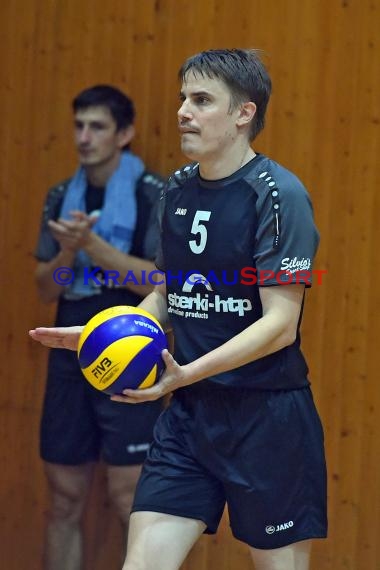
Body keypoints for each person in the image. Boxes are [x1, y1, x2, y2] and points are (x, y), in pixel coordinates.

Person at [30, 50, 327, 570]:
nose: (183, 111)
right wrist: (107, 331)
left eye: (201, 100)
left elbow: (280, 326)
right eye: (182, 99)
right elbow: (168, 294)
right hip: (188, 420)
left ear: (244, 113)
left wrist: (184, 373)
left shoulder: (279, 195)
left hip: (267, 419)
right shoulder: (178, 189)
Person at [33, 84, 165, 570]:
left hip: (134, 346)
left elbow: (160, 284)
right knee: (64, 499)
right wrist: (68, 251)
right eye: (79, 125)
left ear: (124, 133)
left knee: (132, 498)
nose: (84, 137)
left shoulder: (157, 194)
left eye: (98, 127)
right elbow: (47, 287)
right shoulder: (59, 197)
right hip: (69, 346)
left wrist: (91, 244)